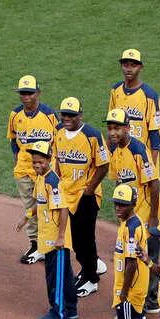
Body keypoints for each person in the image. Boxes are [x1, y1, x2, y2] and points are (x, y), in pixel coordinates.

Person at [105, 108, 160, 319]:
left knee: (142, 261)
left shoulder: (139, 150)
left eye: (117, 127)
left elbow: (154, 182)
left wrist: (151, 217)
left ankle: (140, 307)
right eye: (110, 128)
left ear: (128, 127)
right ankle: (147, 302)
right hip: (132, 216)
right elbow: (120, 182)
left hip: (145, 217)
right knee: (138, 260)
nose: (113, 132)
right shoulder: (116, 152)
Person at [15, 141, 77, 319]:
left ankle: (58, 312)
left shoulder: (52, 181)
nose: (37, 165)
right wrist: (26, 217)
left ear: (49, 160)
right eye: (34, 162)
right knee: (64, 275)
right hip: (48, 238)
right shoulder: (41, 179)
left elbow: (64, 209)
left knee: (55, 276)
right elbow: (39, 203)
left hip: (55, 241)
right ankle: (71, 309)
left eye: (40, 162)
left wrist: (60, 237)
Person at [53, 98, 109, 297]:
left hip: (86, 197)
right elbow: (57, 160)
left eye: (71, 115)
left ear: (80, 115)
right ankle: (88, 269)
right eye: (64, 114)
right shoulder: (58, 132)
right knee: (75, 240)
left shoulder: (92, 135)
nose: (67, 118)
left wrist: (89, 189)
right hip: (67, 194)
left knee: (85, 239)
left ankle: (92, 279)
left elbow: (104, 165)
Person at [6, 75, 58, 264]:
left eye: (29, 93)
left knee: (45, 206)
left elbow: (58, 141)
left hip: (44, 171)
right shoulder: (15, 115)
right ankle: (35, 244)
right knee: (30, 206)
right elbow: (13, 141)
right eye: (23, 93)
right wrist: (16, 161)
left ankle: (48, 243)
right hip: (23, 170)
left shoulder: (49, 115)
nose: (26, 97)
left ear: (38, 93)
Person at [110, 185, 155, 319]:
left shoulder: (131, 228)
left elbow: (131, 264)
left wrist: (124, 293)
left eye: (123, 205)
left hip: (130, 291)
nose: (118, 208)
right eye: (116, 203)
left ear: (132, 205)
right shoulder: (131, 223)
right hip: (135, 289)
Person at [108, 49, 160, 168]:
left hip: (143, 159)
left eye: (133, 65)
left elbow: (156, 136)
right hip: (122, 158)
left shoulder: (150, 95)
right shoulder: (115, 90)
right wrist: (111, 155)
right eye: (125, 65)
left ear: (141, 67)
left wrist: (150, 168)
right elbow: (111, 126)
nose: (129, 69)